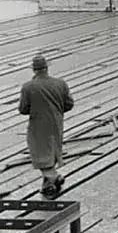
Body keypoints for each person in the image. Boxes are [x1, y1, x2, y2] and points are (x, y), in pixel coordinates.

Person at [18, 55, 73, 199]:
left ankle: (52, 177)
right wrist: (56, 111)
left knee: (39, 151)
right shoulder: (61, 83)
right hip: (57, 122)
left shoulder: (28, 87)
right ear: (47, 68)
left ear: (34, 70)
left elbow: (23, 109)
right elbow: (69, 104)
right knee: (53, 149)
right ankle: (49, 180)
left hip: (38, 124)